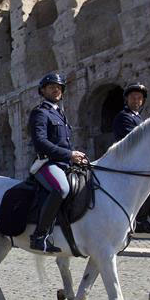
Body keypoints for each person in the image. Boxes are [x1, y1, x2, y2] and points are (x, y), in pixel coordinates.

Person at [28, 72, 87, 253]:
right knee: (61, 189)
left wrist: (78, 157)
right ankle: (39, 236)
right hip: (46, 164)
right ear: (43, 90)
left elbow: (64, 141)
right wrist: (69, 154)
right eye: (52, 87)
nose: (56, 89)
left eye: (59, 87)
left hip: (64, 163)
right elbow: (41, 142)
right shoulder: (40, 113)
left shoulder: (60, 113)